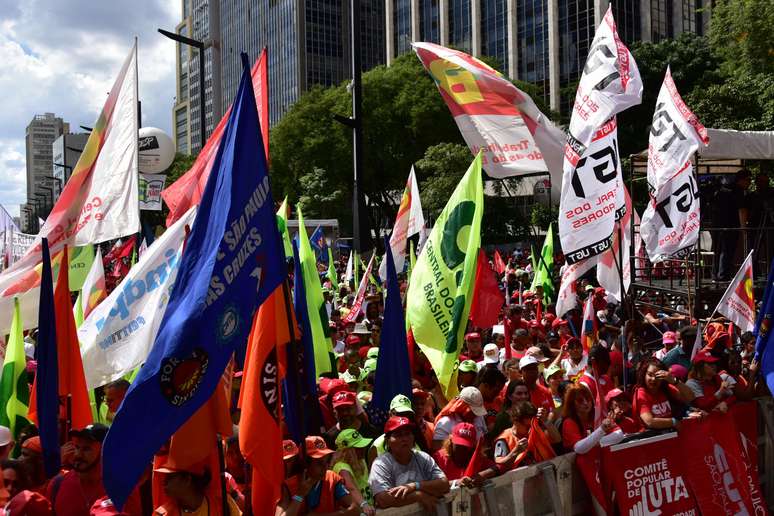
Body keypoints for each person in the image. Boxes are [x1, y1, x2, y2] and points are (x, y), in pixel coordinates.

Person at [49, 424, 141, 516]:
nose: (78, 455)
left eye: (86, 449)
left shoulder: (124, 488)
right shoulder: (58, 484)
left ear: (104, 451)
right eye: (77, 447)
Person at [368, 416, 449, 510]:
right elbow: (383, 499)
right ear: (387, 440)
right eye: (398, 435)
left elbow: (444, 485)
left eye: (407, 434)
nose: (404, 439)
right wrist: (417, 495)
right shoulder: (381, 464)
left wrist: (415, 486)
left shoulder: (423, 458)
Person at [276, 436, 358, 515]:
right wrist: (299, 495)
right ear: (305, 463)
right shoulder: (289, 486)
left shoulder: (332, 479)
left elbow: (355, 509)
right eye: (319, 463)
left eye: (327, 461)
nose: (325, 467)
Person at [154, 461, 240, 516]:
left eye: (170, 477)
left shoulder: (222, 503)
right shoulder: (162, 514)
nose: (164, 482)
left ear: (187, 479)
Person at [633, 358, 697, 430]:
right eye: (650, 375)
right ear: (644, 375)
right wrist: (673, 422)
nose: (653, 379)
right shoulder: (641, 393)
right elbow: (649, 421)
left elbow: (691, 397)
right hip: (653, 438)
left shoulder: (666, 388)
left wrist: (673, 380)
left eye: (657, 376)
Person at [494, 401, 558, 471]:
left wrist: (546, 421)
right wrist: (515, 451)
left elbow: (557, 439)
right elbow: (500, 466)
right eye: (527, 426)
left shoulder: (535, 430)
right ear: (516, 421)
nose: (530, 429)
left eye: (532, 425)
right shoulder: (503, 440)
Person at [432, 423, 497, 487]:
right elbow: (432, 485)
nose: (462, 450)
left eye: (466, 447)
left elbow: (498, 468)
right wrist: (456, 483)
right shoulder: (439, 458)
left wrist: (482, 475)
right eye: (458, 445)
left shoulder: (478, 457)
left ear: (473, 446)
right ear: (450, 441)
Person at [332, 429, 375, 515]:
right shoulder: (341, 467)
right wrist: (364, 504)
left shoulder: (360, 460)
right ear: (347, 451)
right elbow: (351, 488)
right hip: (359, 511)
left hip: (370, 509)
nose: (363, 448)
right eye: (358, 448)